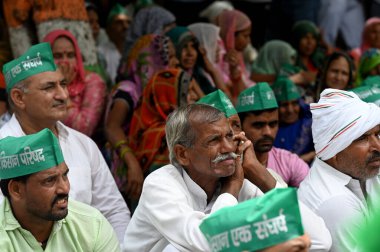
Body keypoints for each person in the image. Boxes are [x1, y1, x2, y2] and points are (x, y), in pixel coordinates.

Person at [122, 103, 332, 251]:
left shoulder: (244, 181)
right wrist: (230, 189)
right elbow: (209, 244)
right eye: (214, 140)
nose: (228, 148)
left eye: (230, 136)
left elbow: (320, 241)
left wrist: (262, 176)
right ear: (183, 154)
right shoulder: (161, 184)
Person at [1, 42, 130, 243]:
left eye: (63, 84)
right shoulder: (2, 151)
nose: (63, 95)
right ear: (18, 98)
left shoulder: (83, 145)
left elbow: (114, 211)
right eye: (49, 87)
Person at [0, 129, 120, 251]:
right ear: (16, 190)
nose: (65, 189)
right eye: (49, 180)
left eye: (65, 176)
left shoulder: (92, 226)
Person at [298, 88, 380, 251]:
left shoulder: (360, 168)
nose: (377, 146)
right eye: (362, 138)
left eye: (377, 134)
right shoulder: (334, 201)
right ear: (334, 151)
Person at [236, 82, 310, 187]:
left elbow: (310, 200)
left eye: (273, 124)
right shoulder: (227, 166)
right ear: (239, 127)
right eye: (258, 125)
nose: (268, 132)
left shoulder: (289, 162)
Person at [43, 30, 107, 137]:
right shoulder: (39, 84)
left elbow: (83, 130)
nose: (65, 61)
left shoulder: (93, 83)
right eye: (57, 56)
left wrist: (62, 87)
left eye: (70, 55)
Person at [272, 77, 315, 163]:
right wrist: (300, 160)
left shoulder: (311, 124)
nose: (290, 110)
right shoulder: (270, 130)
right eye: (284, 105)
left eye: (295, 103)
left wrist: (311, 155)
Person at [216, 9, 255, 101]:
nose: (248, 41)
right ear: (231, 35)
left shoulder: (237, 54)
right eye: (245, 36)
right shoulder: (220, 56)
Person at [98, 4, 131, 83]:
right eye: (119, 22)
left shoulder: (134, 51)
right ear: (108, 29)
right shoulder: (100, 52)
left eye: (128, 22)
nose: (125, 26)